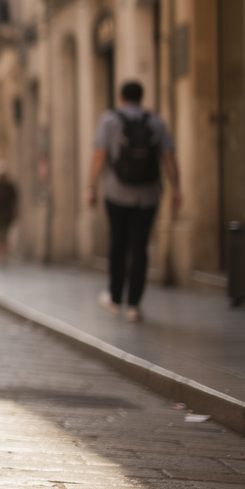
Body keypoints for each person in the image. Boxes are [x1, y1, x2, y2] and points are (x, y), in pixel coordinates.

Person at [87, 80, 181, 322]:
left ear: (120, 97)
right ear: (141, 98)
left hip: (116, 193)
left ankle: (116, 299)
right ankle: (134, 306)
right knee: (140, 249)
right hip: (148, 196)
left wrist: (91, 187)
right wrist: (176, 189)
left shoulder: (109, 120)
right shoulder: (155, 122)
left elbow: (99, 155)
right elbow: (169, 157)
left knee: (118, 245)